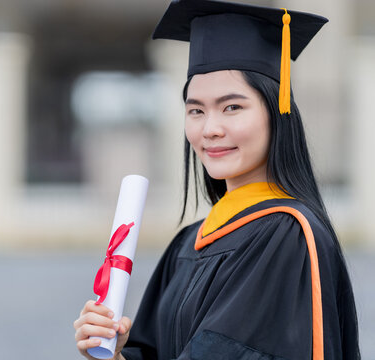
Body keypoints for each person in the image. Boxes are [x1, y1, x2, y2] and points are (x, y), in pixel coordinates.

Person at [73, 0, 360, 359]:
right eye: (196, 110)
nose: (210, 129)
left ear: (277, 111)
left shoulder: (285, 236)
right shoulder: (189, 242)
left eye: (232, 107)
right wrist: (110, 352)